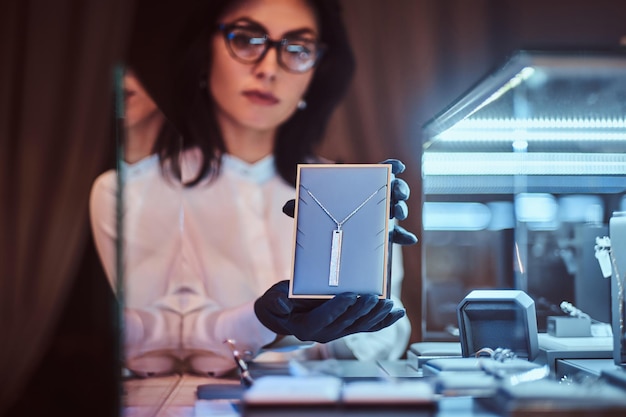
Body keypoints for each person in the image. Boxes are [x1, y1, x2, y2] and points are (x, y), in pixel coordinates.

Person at [90, 0, 417, 377]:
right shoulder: (126, 195)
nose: (268, 68)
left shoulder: (357, 194)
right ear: (203, 51)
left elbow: (390, 338)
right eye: (246, 39)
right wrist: (262, 321)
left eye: (297, 49)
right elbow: (148, 348)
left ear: (316, 70)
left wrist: (351, 304)